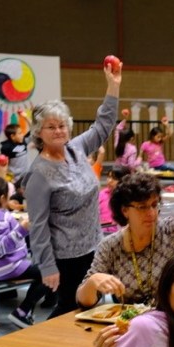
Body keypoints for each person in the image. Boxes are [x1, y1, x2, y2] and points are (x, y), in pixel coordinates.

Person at [26, 62, 120, 319]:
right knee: (71, 308)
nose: (58, 131)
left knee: (89, 306)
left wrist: (113, 86)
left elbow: (103, 125)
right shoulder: (39, 174)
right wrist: (47, 266)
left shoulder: (76, 149)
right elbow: (38, 225)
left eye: (62, 125)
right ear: (39, 133)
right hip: (66, 257)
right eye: (51, 127)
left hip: (94, 246)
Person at [76, 160, 174, 310]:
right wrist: (92, 282)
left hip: (173, 320)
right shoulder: (111, 246)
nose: (151, 213)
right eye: (142, 207)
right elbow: (84, 301)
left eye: (154, 205)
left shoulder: (172, 230)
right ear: (125, 211)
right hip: (131, 325)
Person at [0, 176, 48, 328]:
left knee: (40, 270)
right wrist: (22, 229)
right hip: (3, 266)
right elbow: (1, 248)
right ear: (2, 197)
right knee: (50, 273)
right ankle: (22, 312)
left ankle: (25, 312)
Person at [98, 165, 130, 232]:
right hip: (102, 232)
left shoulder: (128, 197)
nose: (109, 181)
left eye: (114, 178)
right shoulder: (101, 194)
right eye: (109, 177)